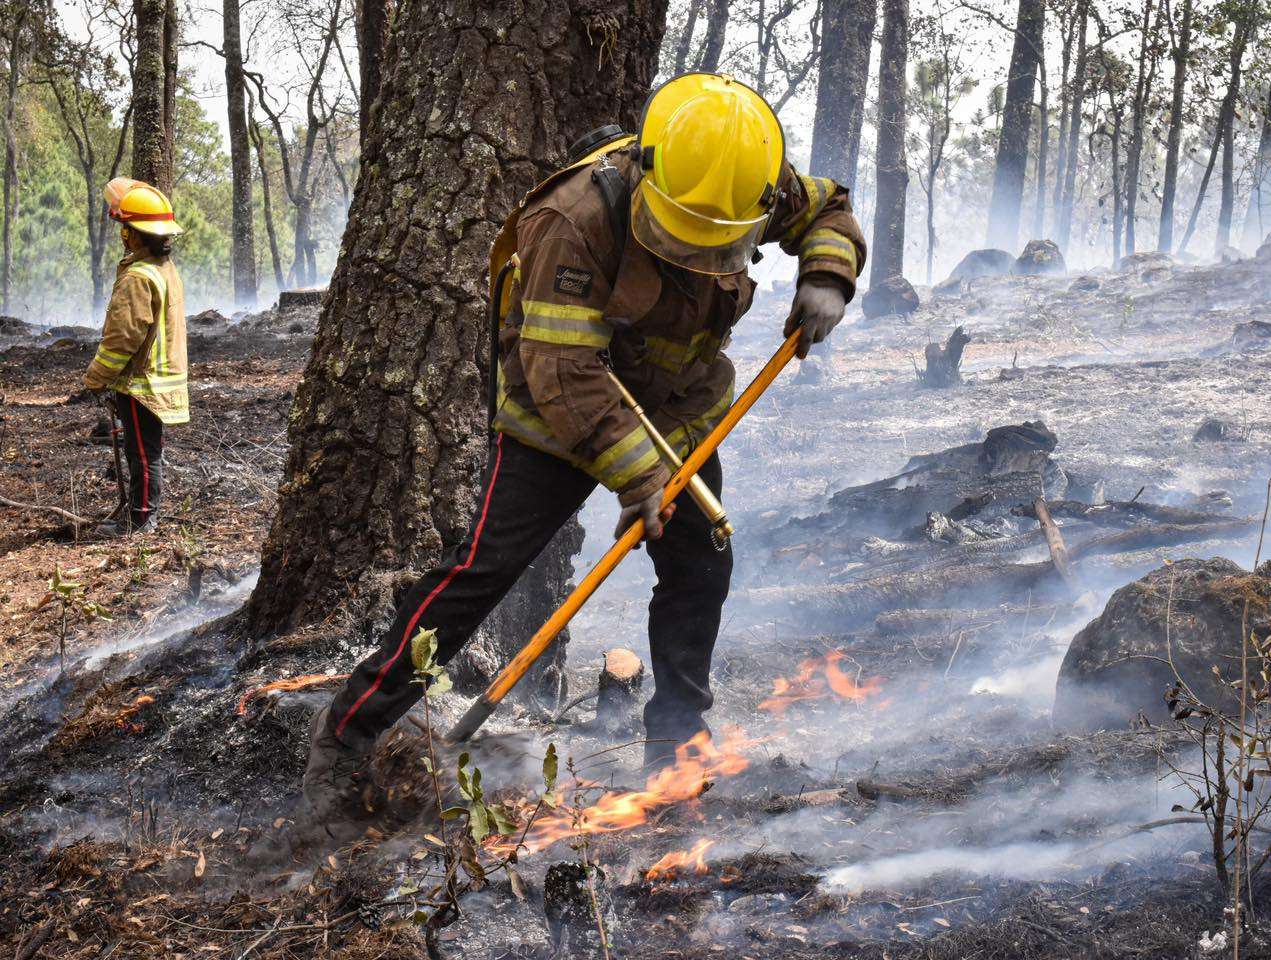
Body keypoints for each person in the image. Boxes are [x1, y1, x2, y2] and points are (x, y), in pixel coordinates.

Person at [302, 73, 866, 828]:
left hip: (679, 406)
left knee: (703, 565)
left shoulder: (745, 185)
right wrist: (640, 475)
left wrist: (829, 271)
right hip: (558, 413)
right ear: (650, 175)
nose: (702, 251)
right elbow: (565, 371)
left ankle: (677, 748)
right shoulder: (571, 223)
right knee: (482, 571)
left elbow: (830, 207)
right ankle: (347, 735)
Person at [82, 178, 188, 537]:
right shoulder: (162, 269)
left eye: (124, 228)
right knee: (143, 450)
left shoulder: (137, 278)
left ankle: (142, 520)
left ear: (132, 234)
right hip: (156, 379)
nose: (122, 234)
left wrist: (96, 377)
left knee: (142, 454)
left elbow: (121, 339)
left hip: (143, 383)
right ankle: (138, 513)